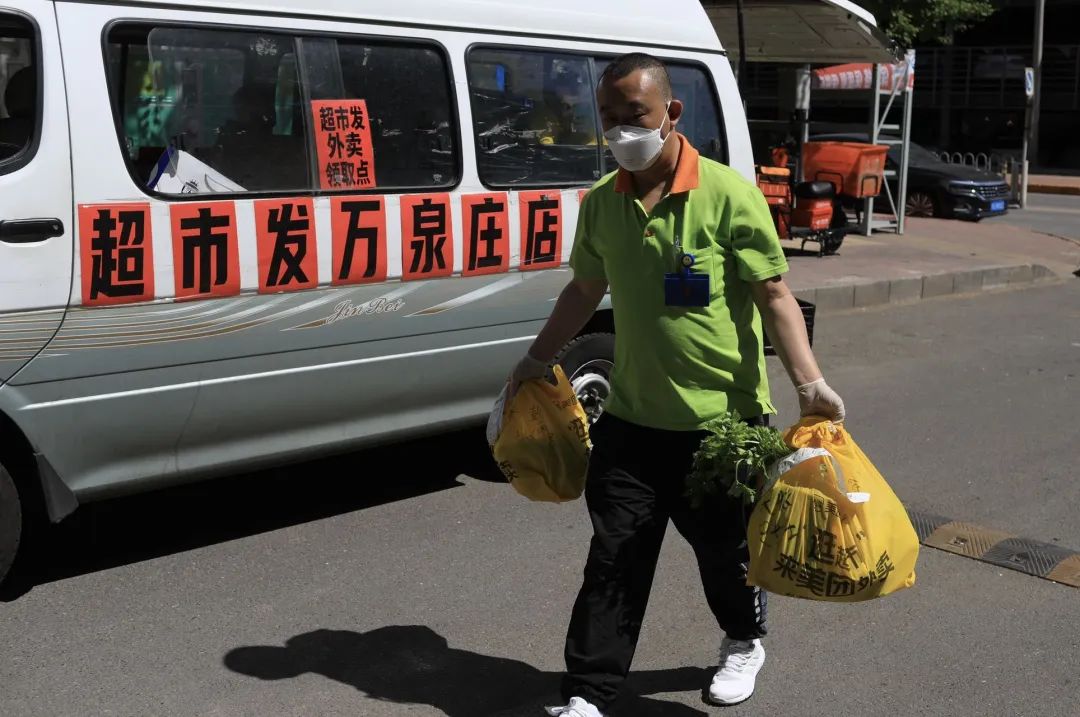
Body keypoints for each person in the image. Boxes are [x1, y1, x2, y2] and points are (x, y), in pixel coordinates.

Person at [506, 53, 845, 717]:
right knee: (614, 556)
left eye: (634, 116)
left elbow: (773, 292)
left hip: (723, 424)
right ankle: (589, 692)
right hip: (632, 420)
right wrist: (536, 357)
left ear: (671, 113)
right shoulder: (604, 205)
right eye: (608, 119)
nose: (620, 132)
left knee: (725, 552)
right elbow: (583, 288)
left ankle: (744, 639)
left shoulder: (727, 193)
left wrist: (809, 382)